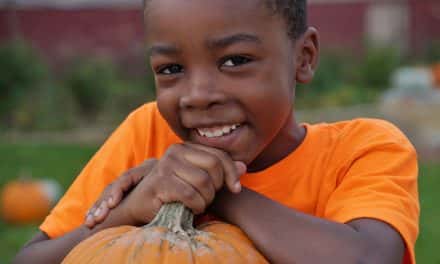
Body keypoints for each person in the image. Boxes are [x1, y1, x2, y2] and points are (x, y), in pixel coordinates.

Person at [14, 0, 419, 263]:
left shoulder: (362, 148)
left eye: (235, 60)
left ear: (304, 57)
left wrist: (219, 193)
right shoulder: (146, 132)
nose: (197, 96)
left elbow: (369, 258)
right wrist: (131, 209)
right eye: (171, 69)